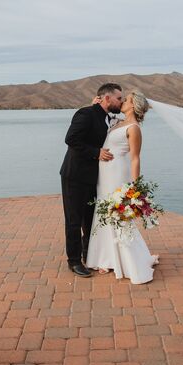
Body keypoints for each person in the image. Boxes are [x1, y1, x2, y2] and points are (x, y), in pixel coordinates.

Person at [86, 90, 159, 284]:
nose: (122, 101)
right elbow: (99, 116)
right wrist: (93, 105)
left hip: (118, 173)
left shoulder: (134, 128)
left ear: (133, 105)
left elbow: (135, 158)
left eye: (125, 100)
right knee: (103, 211)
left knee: (115, 212)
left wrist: (135, 188)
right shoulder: (117, 122)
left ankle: (123, 259)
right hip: (104, 173)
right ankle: (105, 257)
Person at [60, 83, 123, 277]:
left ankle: (89, 254)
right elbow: (71, 139)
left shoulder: (106, 116)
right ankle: (73, 261)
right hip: (75, 176)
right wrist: (96, 153)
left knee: (90, 219)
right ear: (106, 99)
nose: (121, 101)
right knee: (74, 220)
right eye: (119, 98)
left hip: (94, 178)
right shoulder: (85, 114)